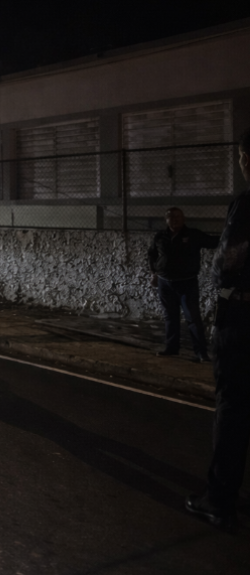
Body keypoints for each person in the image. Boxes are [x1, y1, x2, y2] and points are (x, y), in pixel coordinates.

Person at [185, 128, 250, 527]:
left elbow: (225, 262)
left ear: (246, 158)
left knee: (233, 407)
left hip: (243, 320)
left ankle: (220, 498)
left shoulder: (246, 204)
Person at [147, 207, 219, 362]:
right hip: (165, 284)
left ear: (184, 218)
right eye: (171, 217)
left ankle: (201, 353)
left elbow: (214, 242)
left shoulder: (193, 235)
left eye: (178, 216)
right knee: (170, 317)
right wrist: (154, 274)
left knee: (193, 318)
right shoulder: (160, 236)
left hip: (187, 284)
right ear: (166, 220)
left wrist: (232, 234)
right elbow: (152, 254)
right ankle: (171, 349)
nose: (175, 219)